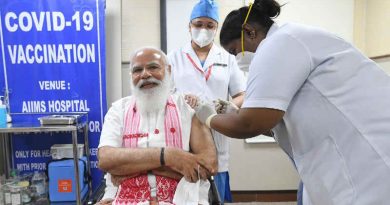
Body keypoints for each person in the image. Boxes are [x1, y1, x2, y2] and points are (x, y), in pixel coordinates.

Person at [194, 0, 390, 204]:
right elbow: (275, 124)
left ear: (249, 32)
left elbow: (250, 124)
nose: (237, 60)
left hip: (369, 165)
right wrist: (235, 113)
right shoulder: (290, 39)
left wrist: (209, 117)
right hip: (344, 159)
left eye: (235, 51)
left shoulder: (278, 44)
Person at [97, 47, 218, 205]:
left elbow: (208, 165)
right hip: (125, 199)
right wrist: (169, 156)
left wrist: (129, 168)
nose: (145, 74)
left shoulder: (188, 108)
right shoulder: (118, 110)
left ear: (168, 70)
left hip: (182, 198)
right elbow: (106, 159)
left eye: (153, 67)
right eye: (137, 70)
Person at [167, 0, 246, 202]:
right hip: (183, 134)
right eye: (199, 24)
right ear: (189, 26)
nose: (204, 29)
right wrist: (181, 100)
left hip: (217, 131)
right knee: (185, 193)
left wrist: (228, 106)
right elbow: (164, 97)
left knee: (215, 193)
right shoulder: (174, 58)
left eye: (210, 25)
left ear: (216, 28)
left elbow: (242, 93)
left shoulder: (227, 58)